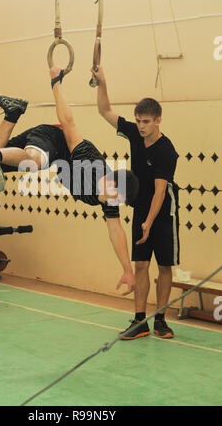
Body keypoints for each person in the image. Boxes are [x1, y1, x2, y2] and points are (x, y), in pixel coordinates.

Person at [0, 66, 139, 296]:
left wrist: (128, 270)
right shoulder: (89, 162)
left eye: (116, 201)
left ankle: (12, 113)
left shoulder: (110, 198)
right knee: (35, 162)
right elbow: (68, 122)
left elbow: (116, 232)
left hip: (47, 154)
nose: (111, 202)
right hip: (52, 137)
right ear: (110, 182)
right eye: (114, 197)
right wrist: (56, 83)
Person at [92, 65, 179, 339]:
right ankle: (140, 321)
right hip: (142, 205)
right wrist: (102, 82)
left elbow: (160, 191)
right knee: (141, 264)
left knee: (164, 266)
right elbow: (104, 111)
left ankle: (161, 319)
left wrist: (149, 223)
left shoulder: (167, 151)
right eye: (138, 120)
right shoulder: (133, 133)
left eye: (146, 121)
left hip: (164, 211)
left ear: (158, 121)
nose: (141, 126)